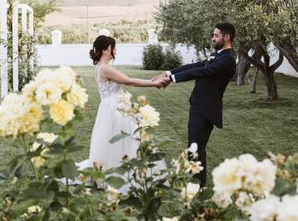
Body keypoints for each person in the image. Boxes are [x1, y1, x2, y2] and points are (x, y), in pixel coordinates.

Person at [153, 23, 237, 187]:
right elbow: (196, 65)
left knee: (197, 146)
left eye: (216, 35)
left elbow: (201, 72)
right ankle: (193, 178)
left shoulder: (227, 60)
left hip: (207, 109)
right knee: (193, 144)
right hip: (198, 105)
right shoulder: (217, 56)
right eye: (213, 35)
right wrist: (169, 73)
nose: (213, 38)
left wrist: (171, 79)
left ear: (227, 37)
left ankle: (198, 183)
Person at [80, 35, 165, 171]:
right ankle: (125, 168)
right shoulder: (105, 69)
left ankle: (115, 165)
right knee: (126, 137)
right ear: (106, 50)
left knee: (113, 138)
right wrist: (153, 83)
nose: (116, 50)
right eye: (114, 47)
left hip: (109, 106)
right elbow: (128, 81)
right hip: (115, 108)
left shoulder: (101, 67)